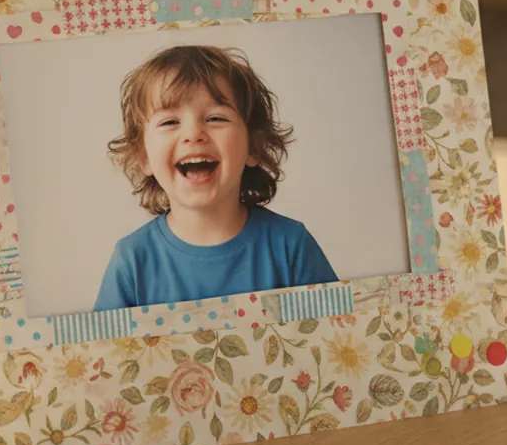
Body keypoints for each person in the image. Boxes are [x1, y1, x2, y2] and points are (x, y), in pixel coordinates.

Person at [93, 44, 337, 312]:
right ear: (144, 157)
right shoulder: (132, 260)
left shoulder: (290, 246)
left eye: (215, 118)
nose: (193, 134)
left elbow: (341, 331)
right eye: (170, 122)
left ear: (253, 147)